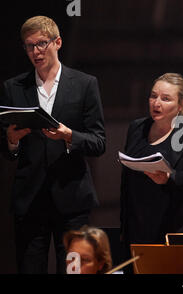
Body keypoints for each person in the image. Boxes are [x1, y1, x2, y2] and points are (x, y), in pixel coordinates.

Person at [0, 16, 106, 274]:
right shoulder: (13, 87)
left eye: (41, 44)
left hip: (72, 199)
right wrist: (12, 141)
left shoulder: (84, 84)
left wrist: (70, 135)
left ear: (57, 42)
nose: (35, 51)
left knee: (73, 270)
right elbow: (6, 149)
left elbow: (99, 142)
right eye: (29, 46)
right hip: (30, 198)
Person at [119, 73, 183, 269]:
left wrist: (169, 178)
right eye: (153, 96)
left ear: (181, 104)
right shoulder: (137, 128)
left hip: (178, 222)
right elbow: (126, 180)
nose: (156, 103)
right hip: (140, 221)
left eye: (165, 98)